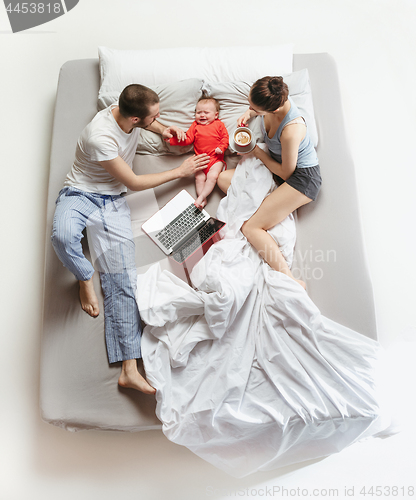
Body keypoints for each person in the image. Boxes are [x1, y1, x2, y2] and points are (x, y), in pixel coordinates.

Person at [51, 84, 209, 394]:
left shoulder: (125, 109)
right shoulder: (101, 137)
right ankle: (84, 277)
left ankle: (129, 369)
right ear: (135, 119)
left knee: (123, 281)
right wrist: (181, 171)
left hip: (113, 203)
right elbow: (135, 182)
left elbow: (148, 124)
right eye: (155, 117)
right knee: (63, 235)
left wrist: (162, 129)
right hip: (81, 194)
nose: (159, 119)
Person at [218, 76, 322, 289]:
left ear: (273, 111)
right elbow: (257, 110)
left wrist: (255, 151)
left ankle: (290, 278)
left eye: (255, 108)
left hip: (300, 178)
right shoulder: (274, 96)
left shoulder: (291, 131)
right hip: (276, 164)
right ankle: (269, 204)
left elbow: (286, 173)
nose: (252, 109)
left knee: (251, 227)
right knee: (223, 179)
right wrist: (248, 113)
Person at [169, 95, 229, 209]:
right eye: (199, 112)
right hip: (200, 159)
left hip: (215, 159)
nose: (202, 115)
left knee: (212, 176)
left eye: (206, 112)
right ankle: (203, 200)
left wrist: (221, 148)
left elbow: (225, 138)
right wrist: (172, 140)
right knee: (199, 178)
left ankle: (201, 197)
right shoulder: (195, 126)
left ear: (216, 115)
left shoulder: (219, 124)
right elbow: (187, 139)